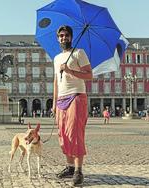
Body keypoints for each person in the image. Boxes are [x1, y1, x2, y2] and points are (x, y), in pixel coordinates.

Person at [52, 25, 93, 186]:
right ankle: (69, 167)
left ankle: (78, 170)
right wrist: (54, 103)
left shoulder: (79, 53)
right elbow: (56, 81)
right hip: (61, 99)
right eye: (61, 36)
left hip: (76, 96)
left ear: (71, 37)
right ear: (58, 38)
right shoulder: (56, 58)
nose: (64, 38)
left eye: (66, 35)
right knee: (63, 135)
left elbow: (89, 75)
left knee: (75, 133)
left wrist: (69, 70)